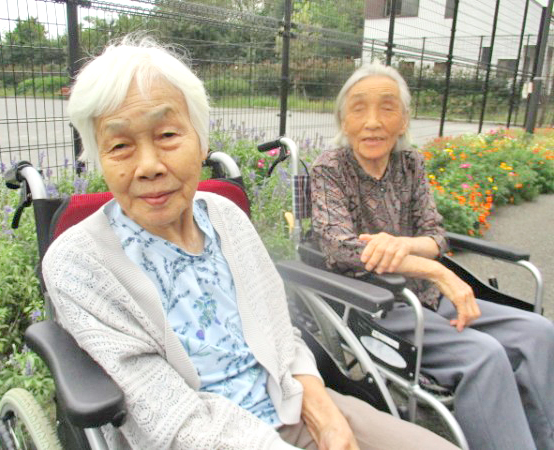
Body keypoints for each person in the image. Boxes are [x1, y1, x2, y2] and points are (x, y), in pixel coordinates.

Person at [41, 36, 459, 449]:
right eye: (119, 146)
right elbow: (165, 414)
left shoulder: (226, 217)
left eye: (168, 135)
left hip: (288, 403)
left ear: (200, 140)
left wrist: (324, 413)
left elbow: (281, 334)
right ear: (98, 156)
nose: (149, 165)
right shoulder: (79, 261)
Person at [310, 62, 554, 450]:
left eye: (387, 107)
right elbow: (340, 247)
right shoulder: (331, 169)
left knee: (540, 333)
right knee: (485, 357)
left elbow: (436, 235)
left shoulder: (411, 164)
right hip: (378, 306)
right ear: (343, 118)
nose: (372, 121)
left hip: (429, 298)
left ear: (404, 120)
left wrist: (404, 245)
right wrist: (435, 271)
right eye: (358, 108)